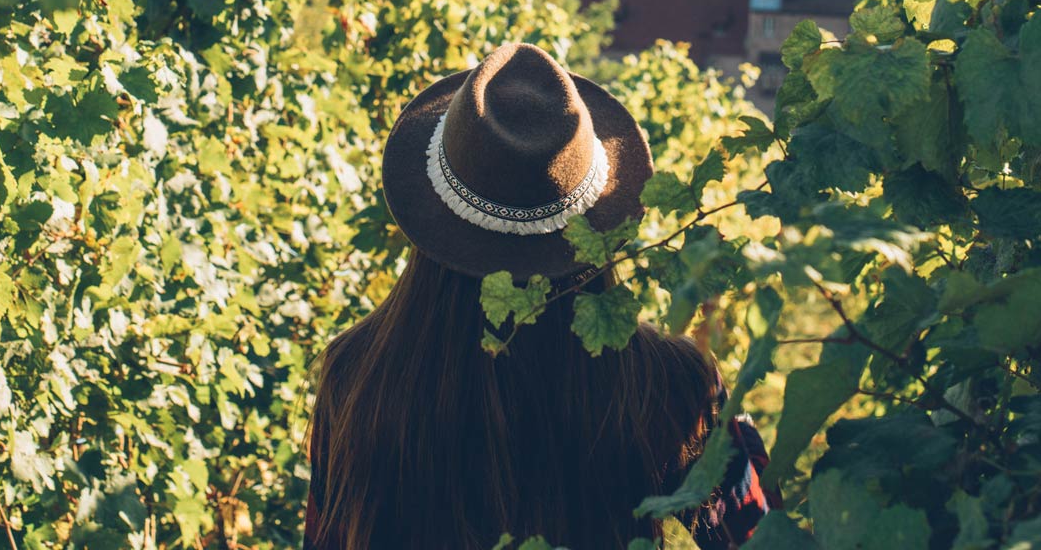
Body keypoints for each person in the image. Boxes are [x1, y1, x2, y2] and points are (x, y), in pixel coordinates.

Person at [305, 42, 775, 549]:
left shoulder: (356, 376)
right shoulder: (670, 383)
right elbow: (760, 538)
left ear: (434, 222)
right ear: (595, 224)